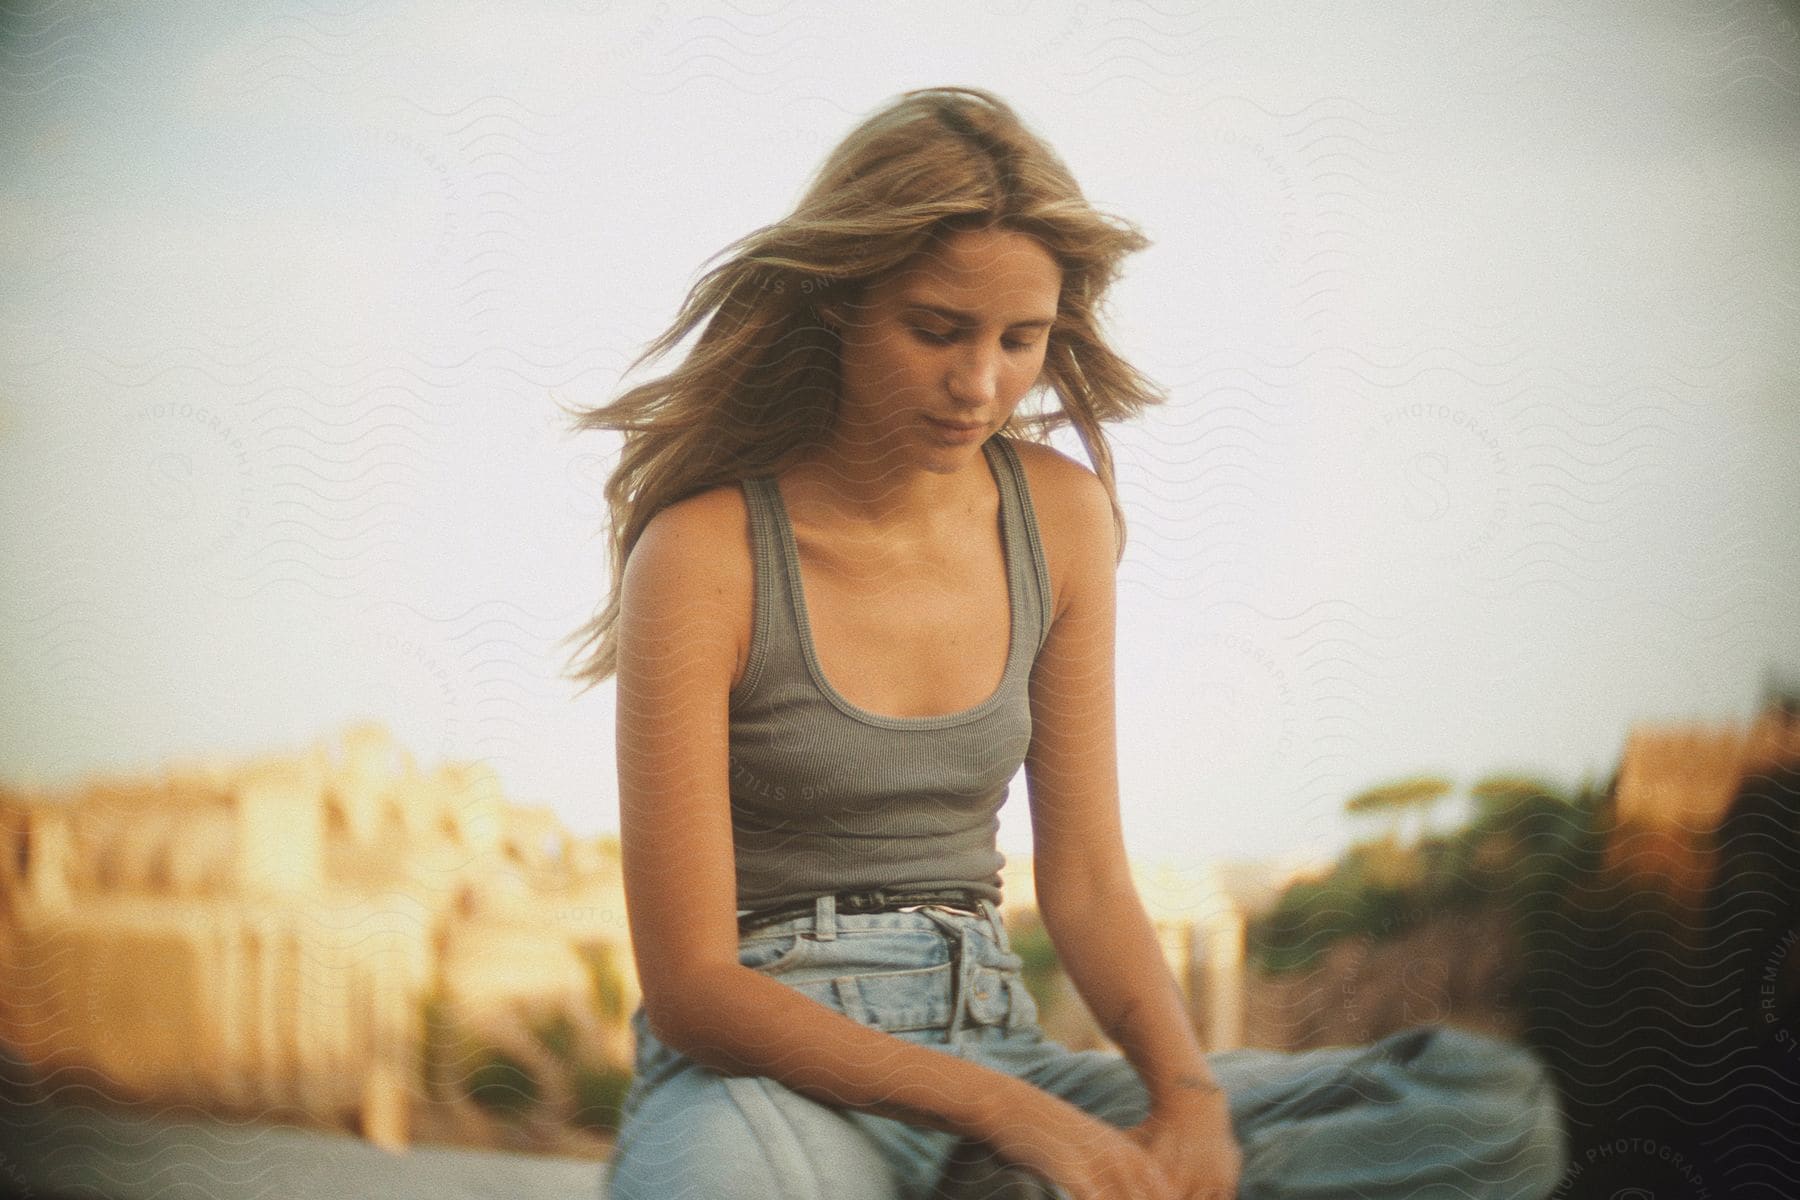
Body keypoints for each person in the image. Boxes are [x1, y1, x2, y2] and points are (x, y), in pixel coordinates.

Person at [562, 85, 1568, 1200]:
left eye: (1019, 340)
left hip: (997, 1028)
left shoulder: (1061, 517)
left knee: (1489, 1107)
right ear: (841, 307)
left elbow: (1085, 880)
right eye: (937, 330)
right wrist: (1015, 1118)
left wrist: (1186, 1101)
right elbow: (694, 984)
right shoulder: (705, 552)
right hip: (771, 1071)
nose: (980, 384)